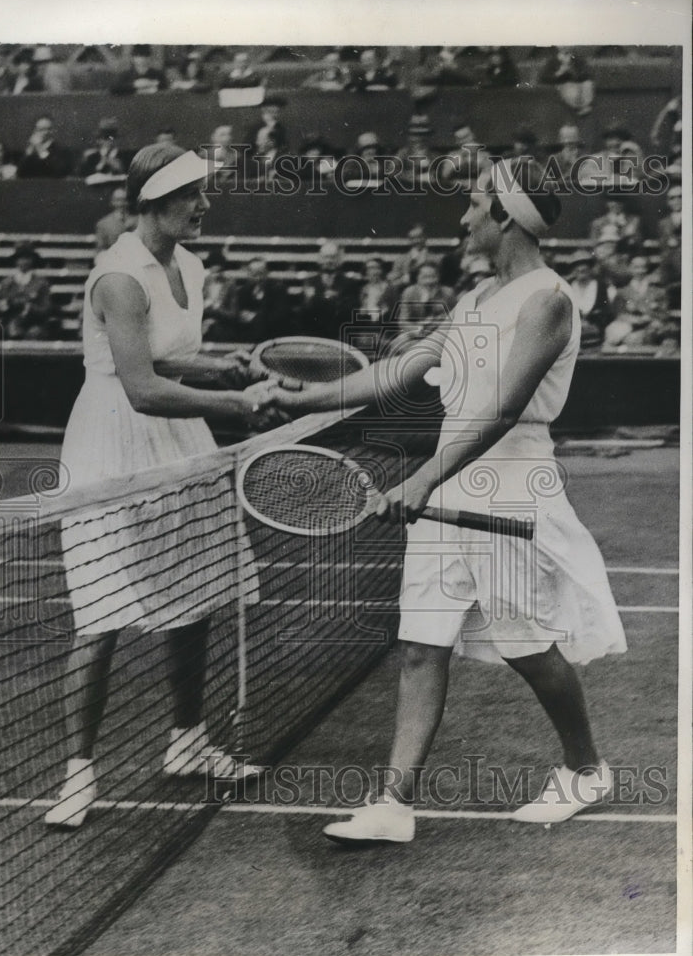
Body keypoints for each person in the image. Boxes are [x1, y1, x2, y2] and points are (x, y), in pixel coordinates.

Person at [270, 157, 625, 841]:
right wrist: (295, 402)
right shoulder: (470, 302)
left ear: (504, 216)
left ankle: (585, 769)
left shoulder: (547, 300)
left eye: (471, 205)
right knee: (420, 643)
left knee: (525, 646)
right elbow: (393, 373)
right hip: (452, 476)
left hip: (512, 483)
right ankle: (392, 804)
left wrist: (423, 478)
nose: (461, 218)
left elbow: (497, 411)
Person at [45, 143, 284, 828]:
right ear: (152, 201)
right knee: (101, 611)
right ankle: (78, 773)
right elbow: (144, 390)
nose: (205, 205)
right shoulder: (117, 278)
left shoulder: (191, 264)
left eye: (204, 194)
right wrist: (238, 404)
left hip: (180, 443)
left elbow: (171, 358)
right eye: (192, 195)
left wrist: (221, 365)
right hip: (114, 446)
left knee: (198, 590)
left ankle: (186, 741)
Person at [0, 241, 55, 339]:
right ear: (16, 261)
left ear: (32, 260)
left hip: (32, 323)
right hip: (9, 322)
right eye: (20, 258)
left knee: (35, 333)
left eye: (27, 258)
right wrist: (4, 306)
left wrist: (30, 308)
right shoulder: (6, 283)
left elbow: (47, 309)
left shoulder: (41, 283)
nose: (24, 262)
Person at [94, 186, 137, 254]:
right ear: (112, 202)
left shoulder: (138, 221)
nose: (121, 204)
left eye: (124, 200)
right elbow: (101, 251)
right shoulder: (103, 224)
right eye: (118, 200)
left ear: (129, 202)